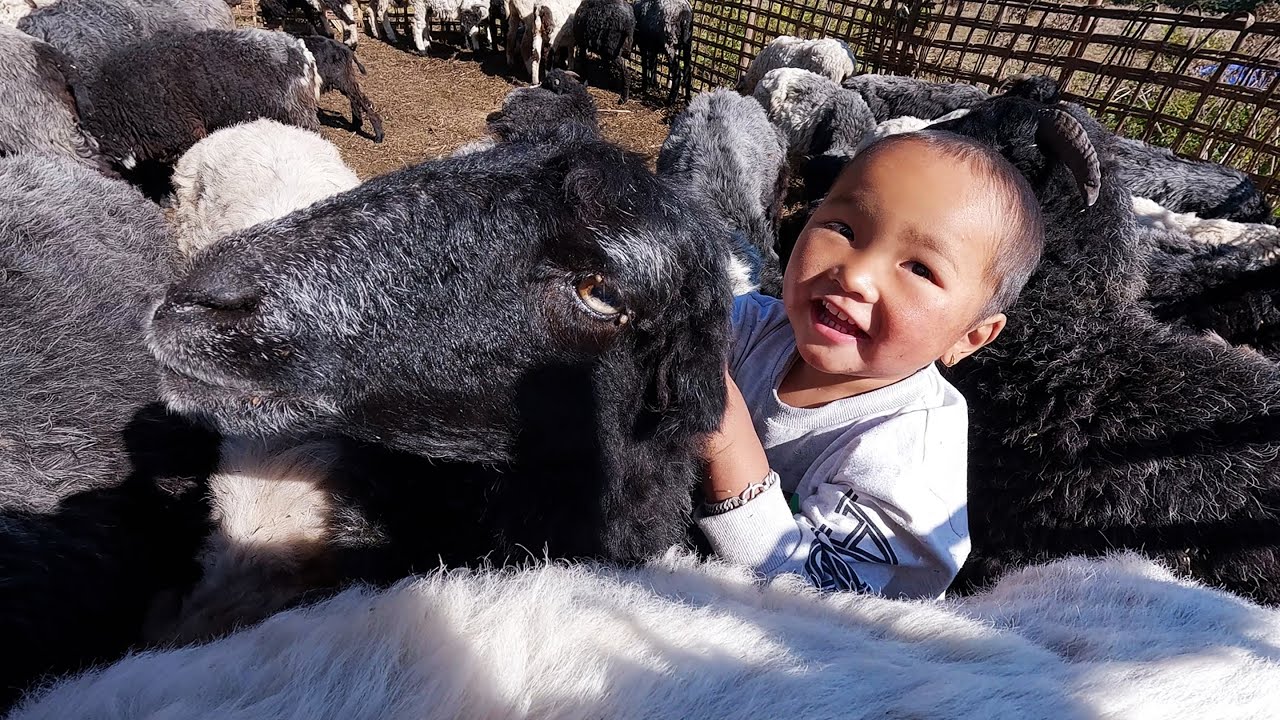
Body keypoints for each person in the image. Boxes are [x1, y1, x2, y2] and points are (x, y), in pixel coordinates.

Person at [697, 129, 1045, 599]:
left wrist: (723, 437)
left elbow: (814, 603)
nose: (856, 275)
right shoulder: (753, 325)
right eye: (844, 230)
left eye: (919, 268)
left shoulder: (909, 468)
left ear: (969, 337)